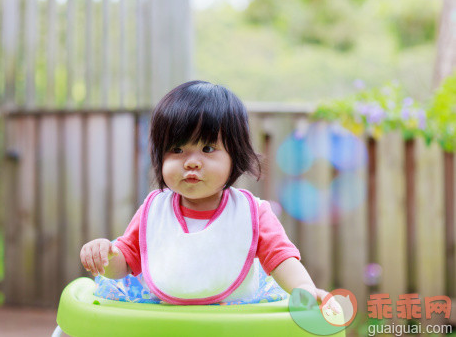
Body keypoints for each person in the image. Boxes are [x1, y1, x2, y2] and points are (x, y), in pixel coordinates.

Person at [80, 80, 335, 307]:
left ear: (234, 156)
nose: (191, 162)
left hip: (233, 325)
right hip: (165, 325)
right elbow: (125, 264)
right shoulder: (154, 210)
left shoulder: (252, 213)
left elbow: (281, 259)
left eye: (208, 148)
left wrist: (304, 289)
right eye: (177, 149)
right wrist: (106, 254)